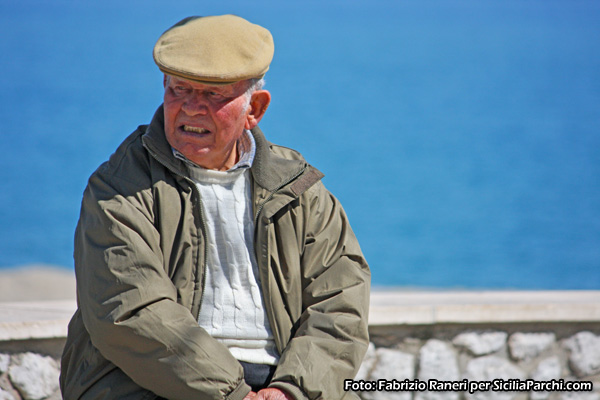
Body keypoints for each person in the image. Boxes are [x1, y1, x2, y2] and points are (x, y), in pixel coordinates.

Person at [60, 14, 370, 400]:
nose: (191, 108)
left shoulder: (299, 189)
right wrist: (234, 394)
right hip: (149, 386)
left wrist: (292, 390)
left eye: (213, 95)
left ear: (255, 108)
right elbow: (131, 311)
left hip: (286, 382)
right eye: (180, 90)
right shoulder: (119, 187)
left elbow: (340, 302)